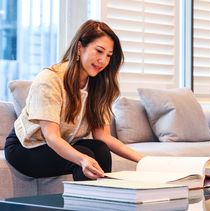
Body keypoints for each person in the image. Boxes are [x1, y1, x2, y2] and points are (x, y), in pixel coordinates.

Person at [4, 19, 143, 181]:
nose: (103, 61)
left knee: (100, 149)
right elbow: (51, 137)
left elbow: (103, 136)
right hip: (26, 147)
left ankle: (103, 202)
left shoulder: (98, 85)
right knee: (86, 156)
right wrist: (82, 159)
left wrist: (144, 160)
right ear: (79, 47)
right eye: (99, 51)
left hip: (60, 143)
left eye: (109, 56)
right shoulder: (51, 79)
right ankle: (86, 204)